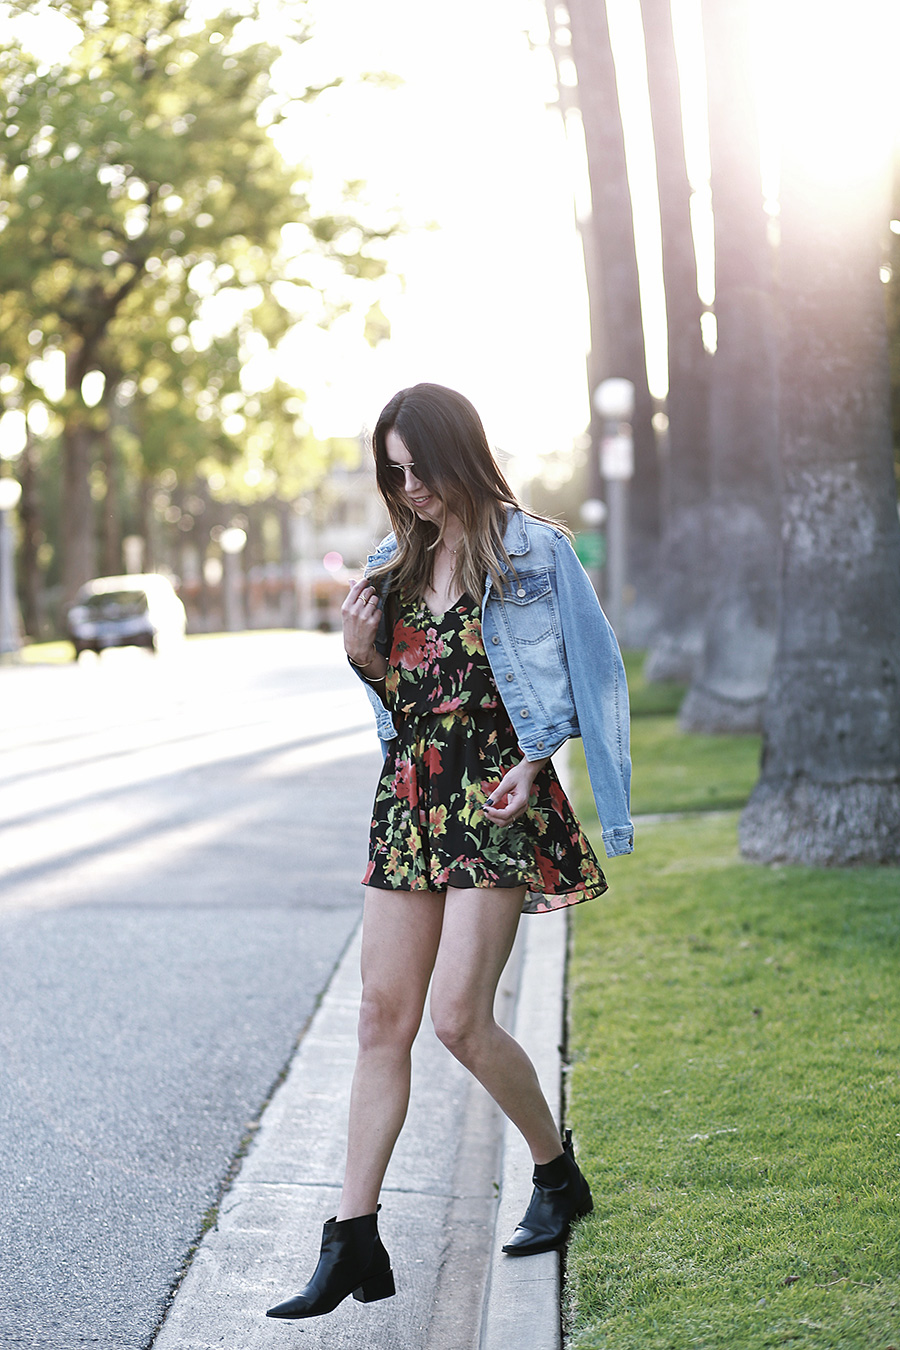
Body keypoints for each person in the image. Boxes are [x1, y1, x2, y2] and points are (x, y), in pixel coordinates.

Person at [266, 383, 633, 1321]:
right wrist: (366, 661)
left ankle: (556, 1173)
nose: (410, 488)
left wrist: (543, 760)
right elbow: (406, 709)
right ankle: (352, 1237)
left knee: (458, 1020)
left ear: (458, 453)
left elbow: (597, 675)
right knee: (379, 1016)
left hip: (496, 800)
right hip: (413, 800)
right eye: (394, 474)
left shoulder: (536, 553)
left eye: (419, 467)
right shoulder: (393, 565)